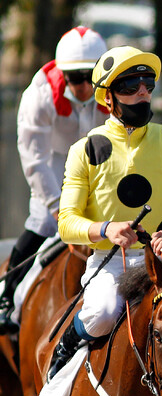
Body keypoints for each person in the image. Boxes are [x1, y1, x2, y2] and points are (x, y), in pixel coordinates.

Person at [49, 46, 162, 379]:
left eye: (148, 84)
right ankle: (62, 357)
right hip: (109, 262)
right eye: (130, 86)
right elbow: (67, 223)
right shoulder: (83, 149)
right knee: (102, 311)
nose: (143, 92)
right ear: (108, 98)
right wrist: (107, 229)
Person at [0, 27, 108, 334]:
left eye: (91, 76)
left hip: (97, 166)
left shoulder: (115, 90)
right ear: (62, 73)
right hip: (54, 167)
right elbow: (34, 156)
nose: (85, 86)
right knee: (42, 225)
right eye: (76, 78)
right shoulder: (39, 95)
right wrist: (57, 206)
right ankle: (7, 297)